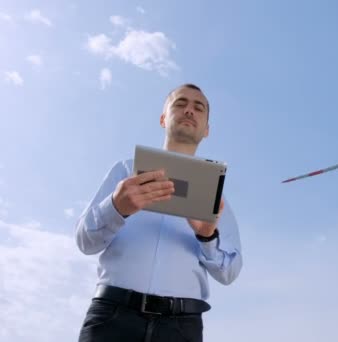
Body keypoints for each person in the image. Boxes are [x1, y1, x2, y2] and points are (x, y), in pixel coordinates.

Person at [75, 83, 243, 342]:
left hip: (180, 328)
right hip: (112, 318)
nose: (189, 110)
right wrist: (116, 208)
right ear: (163, 118)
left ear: (207, 129)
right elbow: (85, 242)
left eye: (199, 108)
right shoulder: (125, 173)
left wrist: (207, 238)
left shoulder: (216, 200)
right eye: (180, 103)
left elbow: (229, 273)